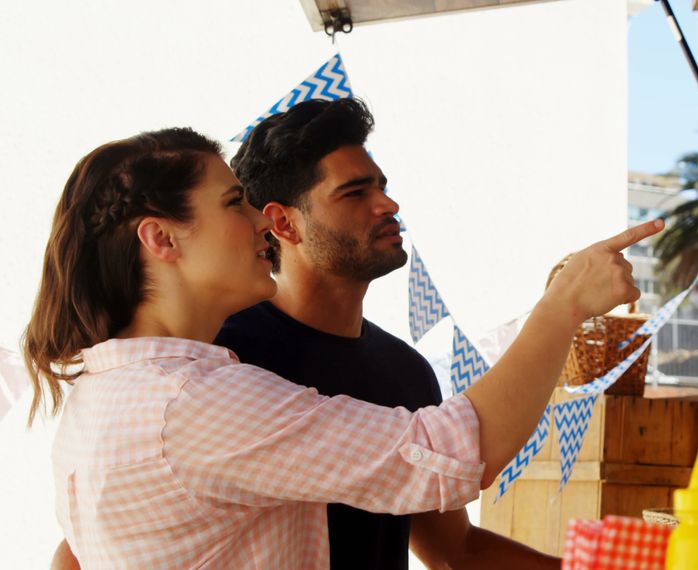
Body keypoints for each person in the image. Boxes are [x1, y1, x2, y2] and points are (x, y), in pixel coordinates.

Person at [25, 127, 661, 568]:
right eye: (232, 203)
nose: (251, 223)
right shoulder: (197, 395)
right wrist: (564, 304)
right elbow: (458, 450)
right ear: (161, 239)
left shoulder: (110, 389)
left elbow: (453, 546)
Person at [215, 97, 560, 568]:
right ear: (282, 223)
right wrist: (564, 307)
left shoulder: (405, 371)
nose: (389, 205)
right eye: (355, 193)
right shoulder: (224, 356)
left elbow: (454, 549)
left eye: (382, 186)